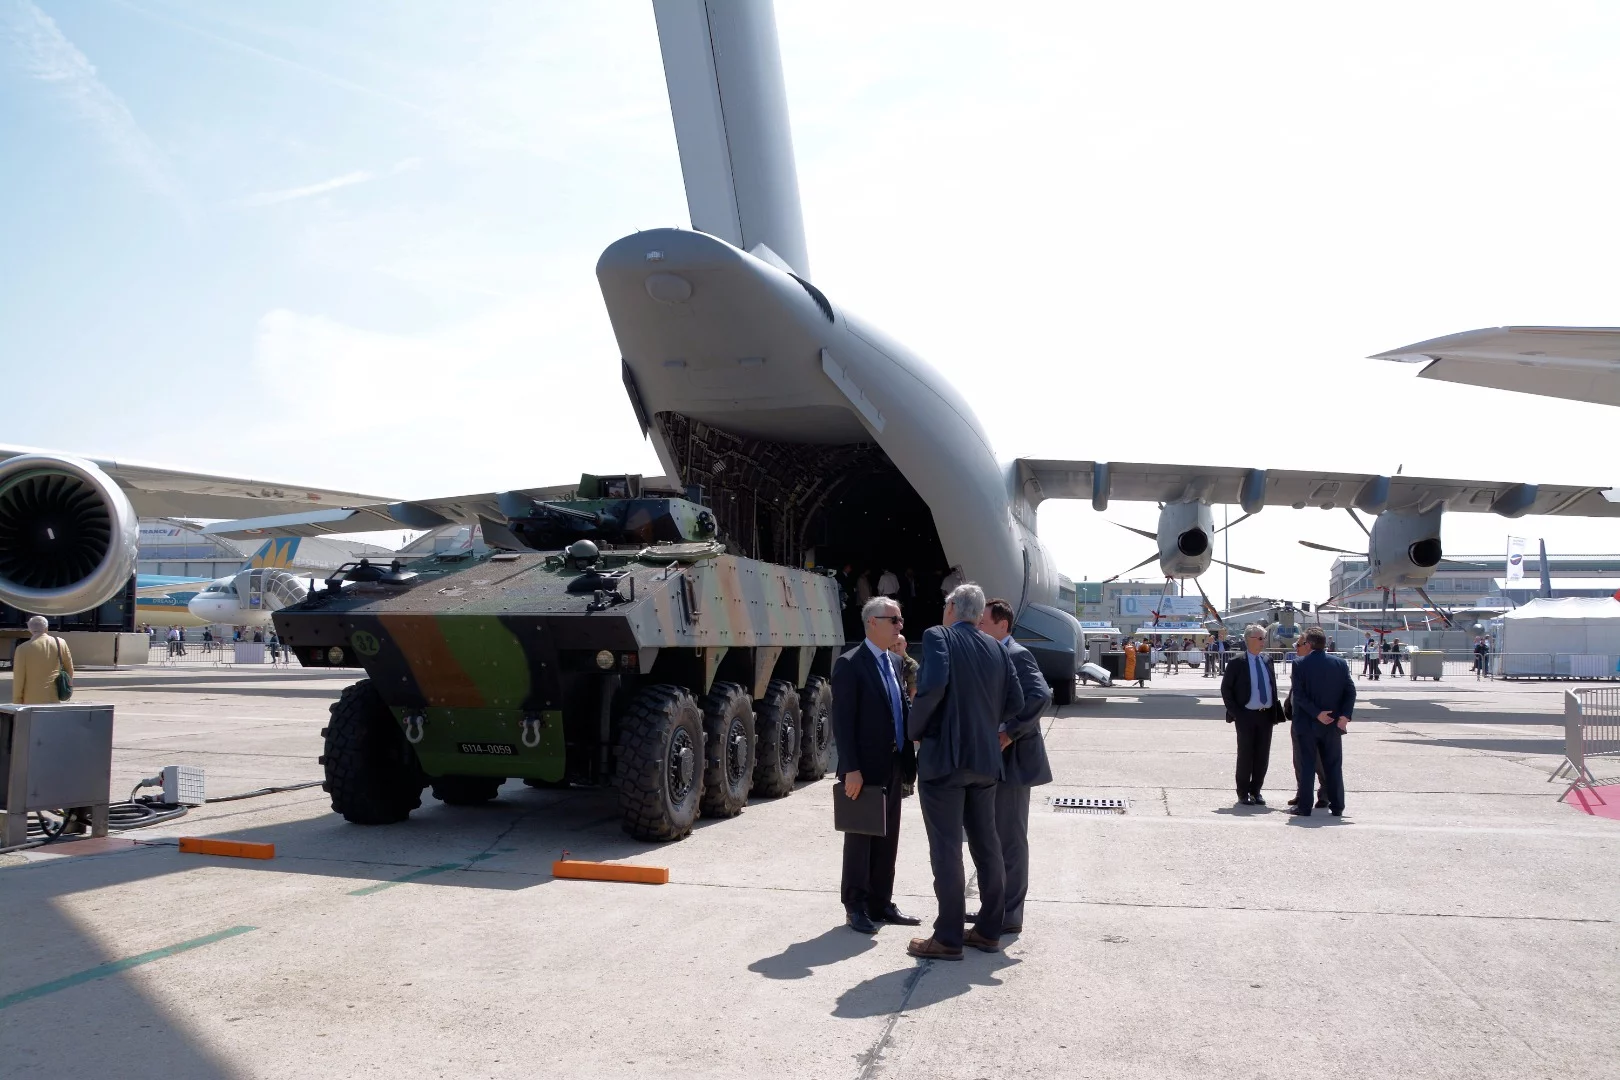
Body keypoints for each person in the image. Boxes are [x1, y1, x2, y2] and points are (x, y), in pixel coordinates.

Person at [906, 582, 1022, 960]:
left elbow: (932, 687)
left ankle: (948, 937)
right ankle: (988, 931)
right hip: (985, 761)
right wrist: (984, 722)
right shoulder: (996, 647)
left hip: (945, 760)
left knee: (946, 849)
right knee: (987, 846)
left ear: (952, 608)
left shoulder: (938, 636)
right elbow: (1017, 701)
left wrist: (914, 728)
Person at [831, 597, 921, 935]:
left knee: (888, 836)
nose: (900, 626)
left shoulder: (895, 663)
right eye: (893, 620)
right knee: (860, 838)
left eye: (900, 620)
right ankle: (855, 905)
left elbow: (901, 709)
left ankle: (881, 902)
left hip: (894, 762)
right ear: (872, 622)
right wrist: (850, 768)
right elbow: (843, 722)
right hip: (864, 769)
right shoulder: (850, 664)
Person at [977, 597, 1053, 935]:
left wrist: (1010, 732)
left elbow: (1040, 696)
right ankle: (994, 908)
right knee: (992, 837)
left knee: (1009, 839)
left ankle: (1011, 914)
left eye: (983, 623)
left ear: (1002, 625)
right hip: (994, 761)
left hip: (1014, 762)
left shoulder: (1017, 655)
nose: (979, 627)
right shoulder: (993, 653)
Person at [1289, 626, 1355, 817]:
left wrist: (1317, 713)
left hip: (1307, 724)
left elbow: (1299, 695)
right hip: (1332, 724)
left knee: (1307, 765)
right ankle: (1338, 806)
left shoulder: (1300, 664)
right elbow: (1350, 691)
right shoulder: (1340, 663)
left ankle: (1304, 807)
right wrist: (1345, 716)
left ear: (1309, 644)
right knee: (1333, 766)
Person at [1220, 625, 1282, 805]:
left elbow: (1271, 686)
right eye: (1260, 638)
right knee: (1246, 754)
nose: (1263, 642)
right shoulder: (1237, 662)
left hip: (1266, 716)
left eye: (1264, 638)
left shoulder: (1267, 660)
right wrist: (1236, 713)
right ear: (1249, 640)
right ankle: (1243, 793)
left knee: (1262, 755)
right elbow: (1226, 689)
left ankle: (1256, 791)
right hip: (1245, 715)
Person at [1283, 637, 1328, 809]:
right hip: (1298, 720)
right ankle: (1302, 792)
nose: (1295, 648)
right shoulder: (1299, 665)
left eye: (1298, 645)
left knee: (1319, 761)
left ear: (1308, 646)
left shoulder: (1320, 666)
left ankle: (1325, 793)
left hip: (1315, 720)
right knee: (1298, 760)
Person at [11, 615, 74, 704]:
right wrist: (67, 687)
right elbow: (69, 668)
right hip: (54, 695)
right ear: (46, 628)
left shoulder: (22, 648)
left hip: (31, 698)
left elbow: (19, 678)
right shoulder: (60, 643)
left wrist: (17, 700)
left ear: (30, 630)